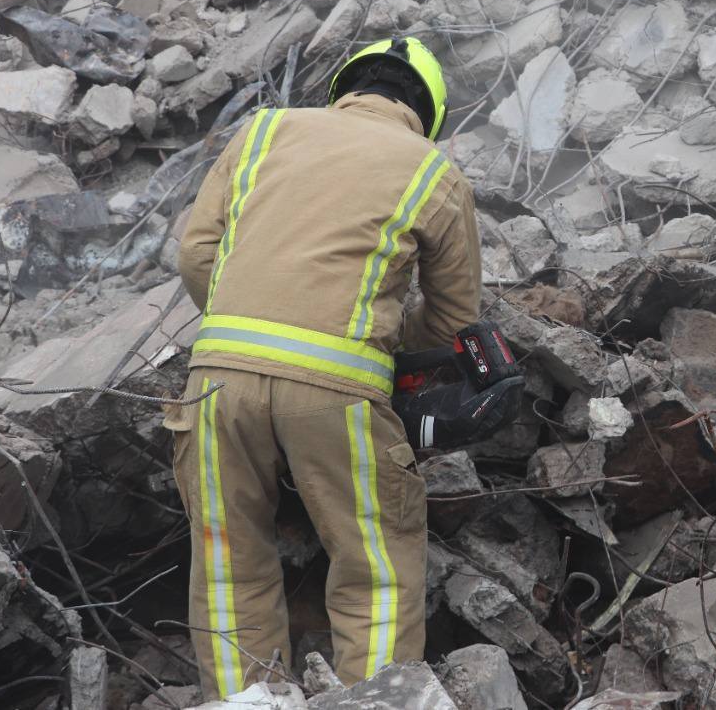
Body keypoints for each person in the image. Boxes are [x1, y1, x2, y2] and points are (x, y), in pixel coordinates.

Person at [168, 37, 481, 700]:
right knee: (376, 569)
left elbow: (196, 254)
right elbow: (454, 324)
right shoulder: (433, 171)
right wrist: (381, 359)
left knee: (228, 560)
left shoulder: (264, 130)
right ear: (426, 111)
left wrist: (244, 330)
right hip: (339, 394)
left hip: (217, 380)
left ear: (346, 85)